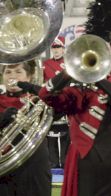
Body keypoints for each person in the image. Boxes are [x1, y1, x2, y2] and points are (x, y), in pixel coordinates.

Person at [38, 69, 111, 196]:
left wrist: (98, 80)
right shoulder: (74, 94)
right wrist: (68, 73)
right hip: (82, 166)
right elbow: (44, 94)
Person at [0, 62, 51, 196]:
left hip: (35, 165)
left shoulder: (38, 100)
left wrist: (31, 88)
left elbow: (58, 102)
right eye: (8, 72)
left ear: (28, 77)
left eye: (18, 72)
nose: (12, 76)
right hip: (5, 169)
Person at [42, 36, 70, 168]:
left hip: (66, 102)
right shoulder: (45, 64)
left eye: (58, 47)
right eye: (54, 48)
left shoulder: (69, 63)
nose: (56, 50)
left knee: (66, 133)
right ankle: (53, 162)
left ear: (63, 48)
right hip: (50, 103)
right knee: (50, 132)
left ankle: (65, 162)